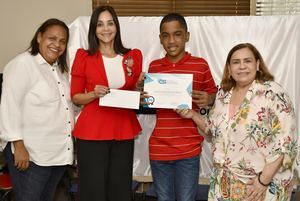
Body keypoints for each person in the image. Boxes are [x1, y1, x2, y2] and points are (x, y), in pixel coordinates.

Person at [176, 43, 298, 201]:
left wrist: (263, 181)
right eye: (236, 62)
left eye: (247, 61)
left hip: (261, 186)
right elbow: (212, 131)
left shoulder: (273, 93)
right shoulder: (223, 94)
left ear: (258, 64)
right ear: (229, 67)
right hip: (224, 184)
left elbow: (286, 144)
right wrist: (192, 114)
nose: (242, 67)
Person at [70, 6, 143, 201]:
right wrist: (93, 94)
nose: (106, 29)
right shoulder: (83, 57)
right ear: (94, 28)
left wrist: (140, 85)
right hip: (92, 131)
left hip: (123, 129)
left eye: (110, 23)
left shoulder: (132, 56)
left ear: (116, 27)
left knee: (120, 188)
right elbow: (76, 96)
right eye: (100, 24)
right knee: (92, 189)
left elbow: (134, 93)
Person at [0, 18, 74, 201]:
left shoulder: (60, 70)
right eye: (52, 38)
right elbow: (9, 106)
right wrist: (18, 146)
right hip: (31, 155)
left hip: (57, 154)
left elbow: (65, 107)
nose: (57, 45)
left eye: (62, 41)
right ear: (39, 37)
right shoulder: (22, 64)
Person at [147, 13, 217, 201]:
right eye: (166, 35)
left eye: (177, 34)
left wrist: (209, 98)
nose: (171, 40)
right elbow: (148, 103)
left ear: (187, 36)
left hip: (188, 150)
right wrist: (141, 94)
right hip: (159, 149)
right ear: (160, 38)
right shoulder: (154, 67)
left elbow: (217, 96)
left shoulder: (200, 65)